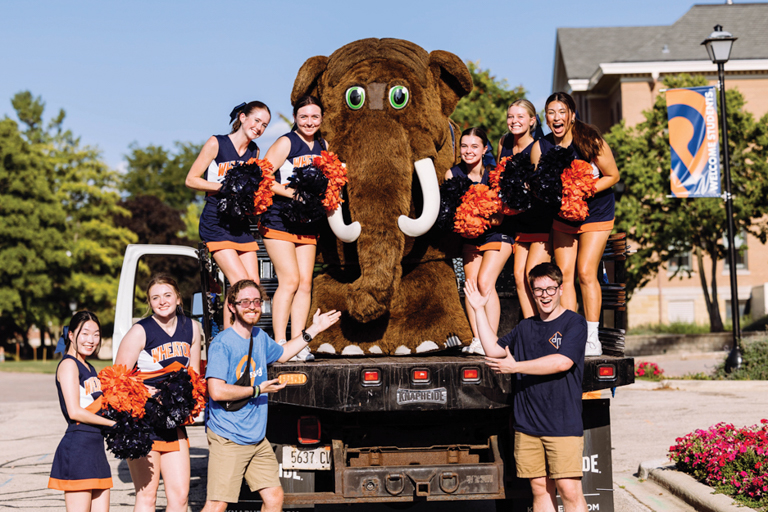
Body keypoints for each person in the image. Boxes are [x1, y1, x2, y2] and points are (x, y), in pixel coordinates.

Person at [201, 279, 340, 512]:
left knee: (274, 498)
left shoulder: (260, 337)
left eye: (256, 301)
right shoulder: (223, 344)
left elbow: (284, 353)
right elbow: (216, 391)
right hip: (229, 437)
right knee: (216, 504)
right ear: (232, 307)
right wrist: (257, 390)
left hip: (256, 438)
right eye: (244, 301)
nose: (252, 306)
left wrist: (314, 329)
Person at [465, 262, 588, 512]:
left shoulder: (573, 323)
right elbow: (493, 349)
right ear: (532, 293)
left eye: (550, 289)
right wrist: (478, 310)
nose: (545, 295)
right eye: (539, 290)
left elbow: (561, 362)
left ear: (561, 289)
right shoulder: (525, 327)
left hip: (562, 424)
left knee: (569, 490)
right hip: (528, 427)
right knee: (540, 489)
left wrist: (516, 367)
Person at [531, 92, 620, 356]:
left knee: (585, 272)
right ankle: (572, 335)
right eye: (550, 112)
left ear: (571, 114)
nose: (556, 118)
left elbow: (613, 175)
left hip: (596, 213)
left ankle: (592, 337)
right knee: (564, 275)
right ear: (545, 117)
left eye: (561, 112)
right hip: (564, 216)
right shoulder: (541, 147)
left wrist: (582, 189)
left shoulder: (590, 139)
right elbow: (540, 186)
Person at [114, 274, 202, 512]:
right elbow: (116, 380)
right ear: (149, 302)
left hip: (172, 423)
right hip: (143, 423)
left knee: (180, 498)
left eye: (167, 295)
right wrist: (144, 390)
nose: (162, 301)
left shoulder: (192, 328)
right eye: (155, 297)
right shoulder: (140, 331)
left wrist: (187, 403)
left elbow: (193, 378)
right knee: (147, 497)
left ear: (178, 298)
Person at [260, 95, 328, 361]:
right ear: (295, 118)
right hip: (278, 218)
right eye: (303, 117)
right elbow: (263, 177)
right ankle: (279, 343)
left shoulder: (323, 145)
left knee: (305, 283)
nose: (309, 122)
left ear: (321, 119)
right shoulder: (286, 142)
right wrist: (293, 194)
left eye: (314, 117)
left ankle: (299, 343)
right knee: (288, 280)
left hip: (307, 222)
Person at [185, 101, 271, 292]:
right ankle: (230, 324)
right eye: (256, 121)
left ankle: (239, 323)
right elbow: (191, 180)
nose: (259, 128)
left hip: (239, 223)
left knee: (253, 285)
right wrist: (225, 187)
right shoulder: (217, 143)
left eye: (264, 125)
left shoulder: (254, 150)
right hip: (216, 221)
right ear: (242, 117)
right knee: (241, 285)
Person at [444, 127, 513, 356]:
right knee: (471, 285)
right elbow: (452, 215)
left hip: (497, 234)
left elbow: (501, 216)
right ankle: (477, 339)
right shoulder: (452, 174)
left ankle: (490, 339)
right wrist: (466, 219)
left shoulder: (494, 174)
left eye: (474, 146)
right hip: (470, 237)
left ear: (485, 149)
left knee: (485, 282)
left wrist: (478, 215)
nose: (468, 151)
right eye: (464, 146)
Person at [48, 311, 115, 512]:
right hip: (78, 449)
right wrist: (114, 425)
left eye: (96, 334)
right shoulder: (69, 365)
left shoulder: (90, 368)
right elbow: (75, 411)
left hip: (96, 448)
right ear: (71, 335)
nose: (91, 340)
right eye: (85, 333)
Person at [497, 99, 552, 320]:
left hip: (538, 221)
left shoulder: (536, 147)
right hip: (515, 225)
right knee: (519, 277)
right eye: (511, 116)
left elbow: (540, 187)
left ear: (531, 120)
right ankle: (532, 329)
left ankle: (548, 325)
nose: (514, 121)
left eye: (520, 117)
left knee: (535, 277)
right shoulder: (504, 142)